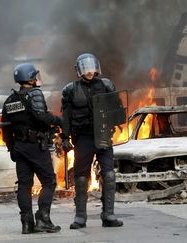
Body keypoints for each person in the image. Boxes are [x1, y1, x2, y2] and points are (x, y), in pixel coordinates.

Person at [61, 53, 124, 229]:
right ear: (79, 71)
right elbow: (66, 116)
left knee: (109, 175)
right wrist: (65, 137)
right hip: (83, 138)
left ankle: (109, 215)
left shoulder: (106, 85)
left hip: (103, 136)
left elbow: (117, 108)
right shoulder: (71, 89)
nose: (89, 72)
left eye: (91, 68)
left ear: (96, 68)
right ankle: (80, 217)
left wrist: (116, 119)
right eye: (85, 68)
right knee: (81, 177)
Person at [1, 63, 62, 234]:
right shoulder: (35, 94)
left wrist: (11, 147)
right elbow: (42, 116)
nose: (36, 79)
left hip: (19, 147)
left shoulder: (10, 100)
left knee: (24, 185)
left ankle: (26, 223)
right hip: (35, 145)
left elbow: (6, 127)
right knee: (49, 181)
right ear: (30, 78)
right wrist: (59, 121)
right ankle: (43, 219)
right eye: (34, 76)